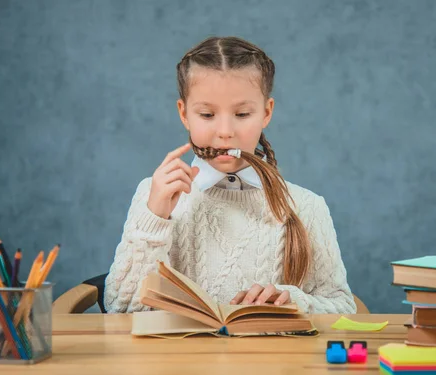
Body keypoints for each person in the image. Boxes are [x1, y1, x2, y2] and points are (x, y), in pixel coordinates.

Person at [104, 36, 356, 314]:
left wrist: (294, 301)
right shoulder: (152, 195)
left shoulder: (307, 206)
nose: (225, 131)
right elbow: (121, 309)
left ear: (266, 113)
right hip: (178, 358)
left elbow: (342, 307)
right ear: (184, 113)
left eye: (243, 113)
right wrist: (154, 219)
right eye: (207, 115)